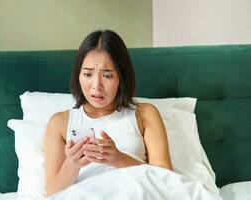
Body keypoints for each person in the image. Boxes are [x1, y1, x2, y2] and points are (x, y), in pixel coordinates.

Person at [44, 30, 172, 196]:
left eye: (107, 75)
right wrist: (73, 163)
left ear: (122, 77)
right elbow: (52, 192)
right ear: (78, 76)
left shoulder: (145, 114)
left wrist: (118, 158)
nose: (96, 86)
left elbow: (167, 180)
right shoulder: (59, 122)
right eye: (88, 74)